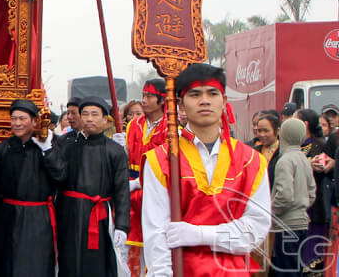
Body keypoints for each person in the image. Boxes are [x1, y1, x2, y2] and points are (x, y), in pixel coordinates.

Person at [142, 63, 270, 276]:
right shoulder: (161, 160)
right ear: (180, 106)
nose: (204, 101)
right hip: (182, 270)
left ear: (224, 101)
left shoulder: (251, 161)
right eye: (194, 94)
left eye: (212, 93)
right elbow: (156, 234)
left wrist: (200, 234)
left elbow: (254, 232)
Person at [44, 95, 129, 276]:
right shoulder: (66, 144)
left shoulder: (114, 150)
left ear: (105, 119)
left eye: (95, 114)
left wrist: (122, 225)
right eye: (85, 114)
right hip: (68, 212)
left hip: (98, 215)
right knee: (68, 259)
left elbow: (122, 191)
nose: (89, 119)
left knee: (97, 262)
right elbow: (57, 176)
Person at [0, 99, 55, 277]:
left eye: (22, 118)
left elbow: (61, 175)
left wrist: (48, 151)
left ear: (34, 121)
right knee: (6, 264)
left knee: (36, 265)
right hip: (8, 216)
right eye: (14, 119)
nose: (17, 123)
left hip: (38, 218)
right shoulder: (4, 149)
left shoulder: (47, 146)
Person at [123, 79, 167, 275]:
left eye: (149, 96)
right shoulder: (133, 125)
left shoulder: (171, 129)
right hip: (130, 193)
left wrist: (142, 182)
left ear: (162, 100)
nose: (144, 100)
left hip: (155, 193)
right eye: (144, 96)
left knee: (154, 244)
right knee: (127, 246)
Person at [270, 118, 315, 276]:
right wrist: (301, 206)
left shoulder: (284, 161)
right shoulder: (303, 158)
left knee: (285, 270)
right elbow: (311, 192)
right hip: (302, 223)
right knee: (296, 269)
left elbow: (285, 195)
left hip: (286, 225)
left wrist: (271, 211)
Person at [295, 108, 330, 272]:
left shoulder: (320, 145)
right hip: (295, 206)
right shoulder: (291, 146)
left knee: (313, 253)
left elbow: (324, 169)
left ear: (305, 124)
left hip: (314, 206)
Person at [251, 112, 281, 274]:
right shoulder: (253, 152)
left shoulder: (282, 153)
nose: (261, 135)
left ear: (277, 131)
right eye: (259, 131)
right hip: (255, 208)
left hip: (274, 212)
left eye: (266, 131)